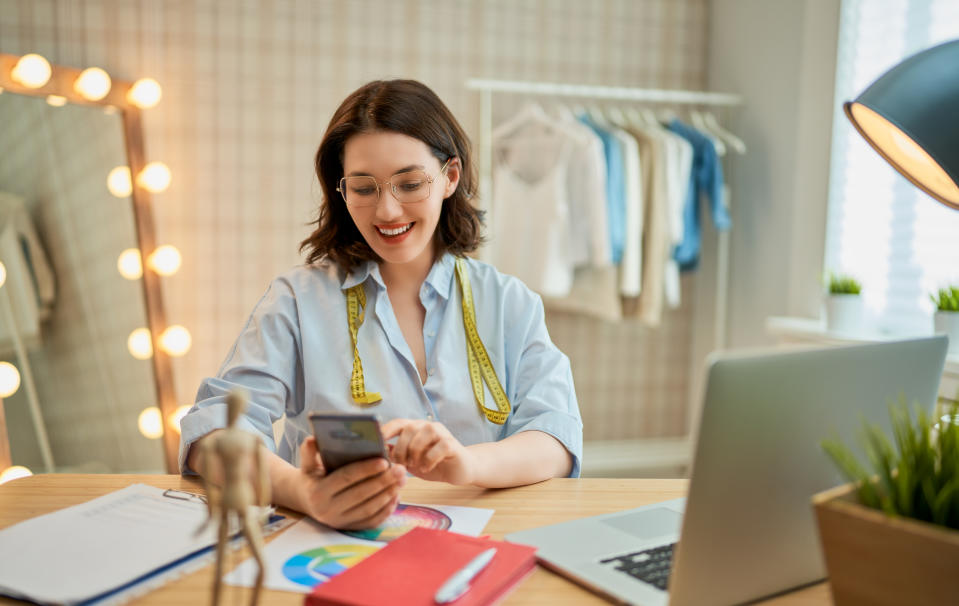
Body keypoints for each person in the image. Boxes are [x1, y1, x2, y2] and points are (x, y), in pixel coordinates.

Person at [180, 79, 583, 530]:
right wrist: (304, 493)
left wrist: (465, 465)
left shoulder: (510, 303)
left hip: (478, 548)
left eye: (410, 183)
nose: (387, 211)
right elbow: (212, 434)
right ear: (341, 189)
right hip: (330, 549)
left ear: (450, 177)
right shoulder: (296, 302)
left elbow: (555, 438)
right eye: (364, 188)